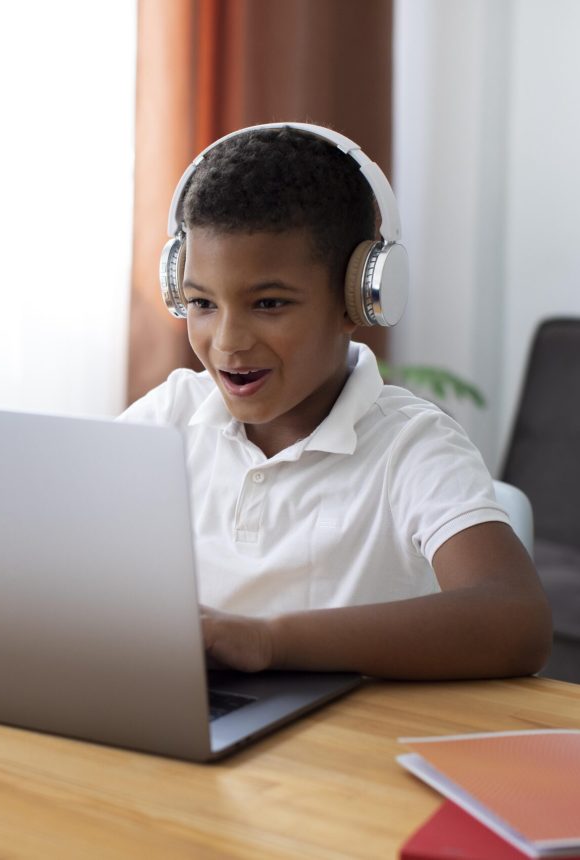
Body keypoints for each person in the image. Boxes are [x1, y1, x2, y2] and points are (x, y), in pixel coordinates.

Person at [120, 123, 551, 680]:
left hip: (341, 752)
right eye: (202, 302)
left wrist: (267, 640)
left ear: (359, 299)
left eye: (269, 303)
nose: (227, 341)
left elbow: (515, 619)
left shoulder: (411, 446)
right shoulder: (171, 415)